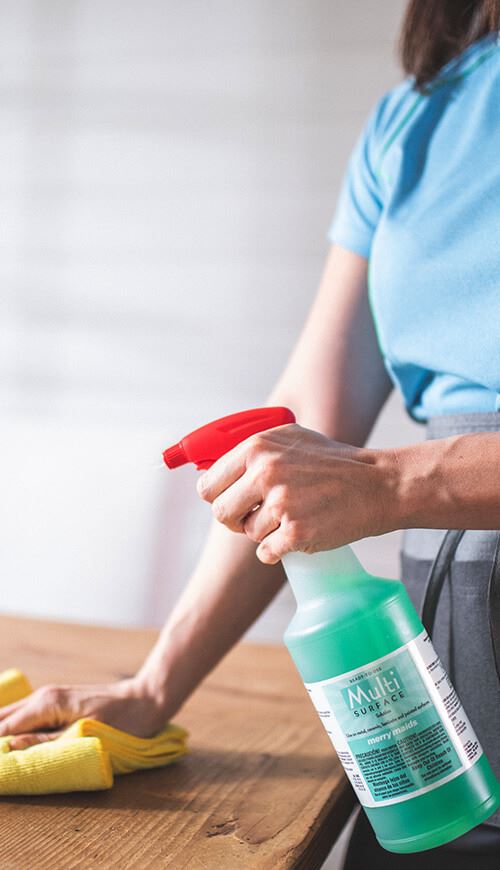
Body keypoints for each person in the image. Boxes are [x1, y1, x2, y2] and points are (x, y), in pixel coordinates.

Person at [1, 0, 499, 864]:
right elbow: (300, 425)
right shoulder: (416, 117)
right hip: (437, 672)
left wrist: (391, 483)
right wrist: (157, 686)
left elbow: (366, 470)